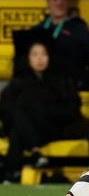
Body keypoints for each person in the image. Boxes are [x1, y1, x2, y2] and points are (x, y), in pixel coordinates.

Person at [0, 42, 81, 182]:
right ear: (28, 58)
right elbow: (5, 109)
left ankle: (10, 173)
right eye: (35, 54)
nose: (40, 59)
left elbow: (71, 110)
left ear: (49, 57)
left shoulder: (61, 80)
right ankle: (35, 151)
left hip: (52, 128)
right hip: (29, 130)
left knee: (17, 130)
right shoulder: (18, 82)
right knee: (16, 121)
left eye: (44, 54)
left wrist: (44, 113)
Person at [31, 0, 89, 90]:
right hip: (41, 88)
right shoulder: (37, 30)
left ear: (68, 1)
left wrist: (83, 83)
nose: (59, 3)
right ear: (48, 2)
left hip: (70, 89)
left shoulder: (80, 31)